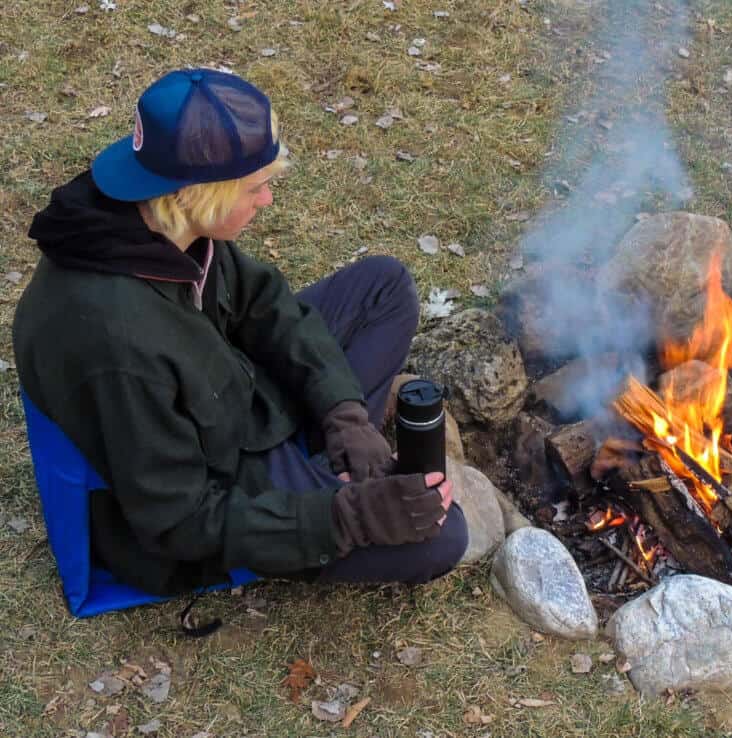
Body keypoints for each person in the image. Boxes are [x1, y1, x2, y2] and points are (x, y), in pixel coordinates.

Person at [13, 68, 467, 598]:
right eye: (255, 187)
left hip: (224, 392)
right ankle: (324, 488)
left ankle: (330, 460)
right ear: (195, 193)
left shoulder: (159, 221)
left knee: (383, 289)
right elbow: (180, 522)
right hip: (211, 479)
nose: (268, 199)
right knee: (444, 534)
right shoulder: (119, 343)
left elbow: (261, 304)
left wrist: (343, 414)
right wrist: (345, 519)